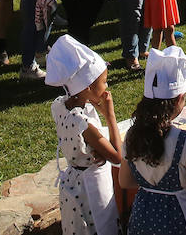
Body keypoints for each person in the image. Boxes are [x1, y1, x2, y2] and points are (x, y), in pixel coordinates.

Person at [119, 46, 186, 234]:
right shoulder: (184, 140)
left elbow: (125, 182)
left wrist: (150, 185)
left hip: (142, 216)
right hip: (177, 219)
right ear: (179, 99)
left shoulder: (131, 135)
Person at [44, 36, 121, 235]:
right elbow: (117, 156)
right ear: (87, 86)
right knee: (101, 226)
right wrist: (109, 114)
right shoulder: (83, 124)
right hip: (91, 188)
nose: (106, 87)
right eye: (103, 82)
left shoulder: (60, 105)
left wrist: (96, 149)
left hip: (72, 183)